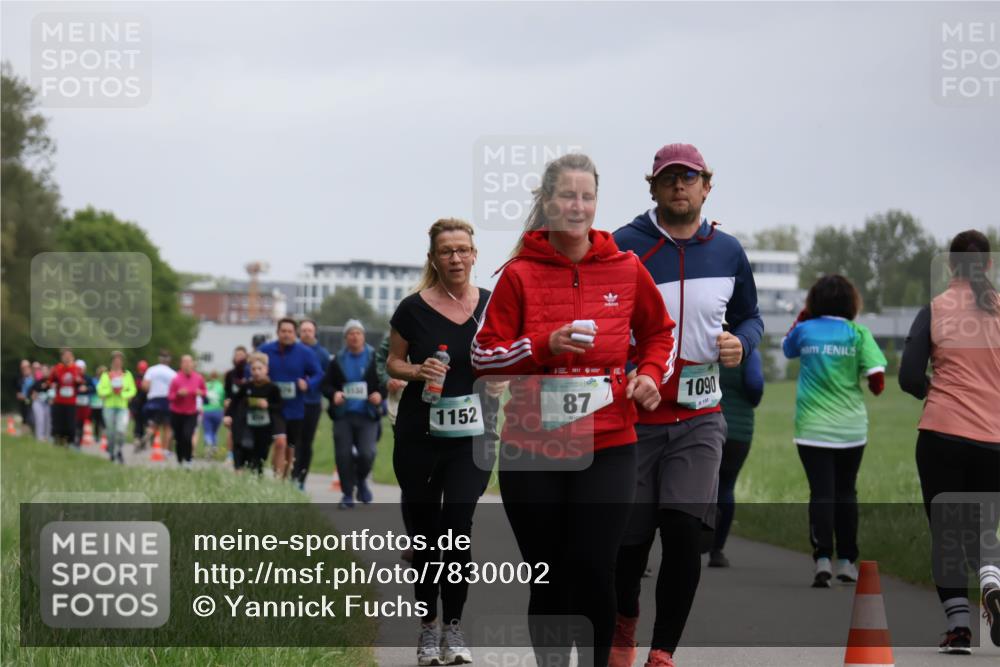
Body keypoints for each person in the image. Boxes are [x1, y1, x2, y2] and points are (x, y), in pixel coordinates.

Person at [473, 155, 676, 667]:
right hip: (531, 448)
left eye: (587, 197)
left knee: (593, 569)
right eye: (568, 196)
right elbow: (483, 356)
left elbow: (660, 333)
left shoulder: (626, 267)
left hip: (608, 443)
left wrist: (651, 375)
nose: (578, 206)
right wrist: (543, 344)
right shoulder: (518, 274)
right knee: (549, 576)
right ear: (546, 202)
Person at [610, 143, 763, 667]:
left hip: (701, 418)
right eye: (669, 177)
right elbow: (605, 324)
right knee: (628, 545)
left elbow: (751, 317)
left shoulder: (728, 252)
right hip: (635, 420)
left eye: (689, 177)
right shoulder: (622, 247)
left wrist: (742, 342)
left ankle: (663, 652)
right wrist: (630, 372)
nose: (680, 185)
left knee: (683, 534)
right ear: (652, 187)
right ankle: (624, 626)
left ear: (706, 186)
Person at [388, 218, 504, 666]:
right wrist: (418, 372)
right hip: (420, 435)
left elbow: (509, 357)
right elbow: (394, 363)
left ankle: (454, 628)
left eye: (462, 250)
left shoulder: (492, 307)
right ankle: (427, 627)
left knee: (456, 530)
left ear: (475, 255)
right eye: (446, 251)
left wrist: (500, 380)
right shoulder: (411, 309)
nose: (455, 258)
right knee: (424, 537)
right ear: (433, 258)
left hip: (473, 437)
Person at [899, 230, 1000, 654]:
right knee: (985, 528)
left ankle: (959, 629)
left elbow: (907, 376)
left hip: (942, 434)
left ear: (952, 266)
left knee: (948, 532)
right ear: (989, 266)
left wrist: (934, 391)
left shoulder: (936, 309)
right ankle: (993, 582)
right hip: (994, 439)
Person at [782, 275, 886, 587]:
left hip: (812, 429)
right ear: (851, 303)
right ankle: (846, 561)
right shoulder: (858, 333)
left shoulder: (804, 330)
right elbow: (877, 379)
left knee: (821, 493)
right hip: (851, 429)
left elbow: (787, 349)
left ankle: (822, 558)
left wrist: (802, 318)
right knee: (846, 492)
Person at [710, 342, 764, 568]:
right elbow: (754, 386)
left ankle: (691, 542)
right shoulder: (747, 349)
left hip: (706, 424)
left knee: (696, 486)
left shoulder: (704, 343)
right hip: (738, 431)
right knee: (726, 487)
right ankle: (717, 550)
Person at [324, 320, 383, 508]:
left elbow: (386, 380)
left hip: (367, 414)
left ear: (363, 336)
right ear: (345, 338)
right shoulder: (338, 360)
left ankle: (361, 480)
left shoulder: (375, 358)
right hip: (344, 415)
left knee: (367, 453)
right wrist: (334, 394)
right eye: (350, 333)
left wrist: (380, 395)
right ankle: (347, 494)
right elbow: (325, 384)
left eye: (358, 333)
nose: (354, 336)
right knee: (343, 455)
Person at [258, 318, 323, 481]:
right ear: (277, 332)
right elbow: (249, 368)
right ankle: (276, 477)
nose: (286, 335)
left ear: (295, 334)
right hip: (272, 407)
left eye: (290, 332)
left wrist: (307, 383)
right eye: (283, 331)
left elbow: (319, 374)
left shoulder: (305, 352)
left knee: (290, 446)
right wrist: (260, 380)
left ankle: (284, 479)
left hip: (295, 407)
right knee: (279, 442)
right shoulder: (265, 350)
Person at [225, 352, 284, 476]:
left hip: (265, 427)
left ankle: (257, 476)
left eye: (259, 369)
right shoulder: (246, 386)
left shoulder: (272, 388)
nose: (256, 372)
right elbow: (234, 402)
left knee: (260, 455)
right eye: (253, 369)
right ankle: (240, 471)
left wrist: (268, 405)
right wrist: (228, 416)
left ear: (266, 370)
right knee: (243, 447)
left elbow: (279, 406)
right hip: (247, 425)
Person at [297, 318, 332, 486]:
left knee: (306, 442)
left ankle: (301, 477)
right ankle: (290, 474)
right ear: (299, 333)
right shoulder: (293, 350)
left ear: (314, 333)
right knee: (292, 440)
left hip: (312, 402)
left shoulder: (322, 354)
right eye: (303, 330)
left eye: (309, 330)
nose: (306, 333)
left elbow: (327, 377)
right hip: (293, 403)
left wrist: (310, 384)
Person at [97, 351, 137, 464]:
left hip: (122, 406)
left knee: (120, 430)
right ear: (112, 361)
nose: (117, 362)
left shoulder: (127, 374)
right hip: (109, 406)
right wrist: (110, 390)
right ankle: (111, 451)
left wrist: (123, 394)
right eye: (115, 360)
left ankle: (119, 450)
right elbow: (100, 389)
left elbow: (133, 390)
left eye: (119, 360)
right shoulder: (106, 375)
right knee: (110, 431)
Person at [167, 354, 207, 468]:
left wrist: (201, 393)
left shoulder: (198, 378)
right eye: (185, 362)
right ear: (181, 364)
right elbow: (170, 397)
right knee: (179, 438)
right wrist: (178, 394)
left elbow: (204, 392)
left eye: (190, 362)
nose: (188, 364)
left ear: (193, 364)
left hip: (191, 413)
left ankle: (188, 459)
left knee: (188, 435)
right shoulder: (176, 378)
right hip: (177, 412)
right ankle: (180, 460)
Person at [142, 351, 177, 455]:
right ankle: (165, 450)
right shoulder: (172, 373)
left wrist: (152, 390)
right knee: (167, 426)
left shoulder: (151, 370)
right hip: (167, 401)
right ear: (169, 360)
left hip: (153, 400)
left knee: (153, 424)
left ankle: (148, 434)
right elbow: (175, 389)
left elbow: (145, 386)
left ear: (159, 359)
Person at [224, 346, 250, 468]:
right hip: (234, 406)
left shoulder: (249, 372)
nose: (239, 357)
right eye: (237, 355)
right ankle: (230, 454)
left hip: (247, 407)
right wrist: (227, 403)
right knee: (232, 431)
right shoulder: (230, 374)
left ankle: (246, 456)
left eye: (241, 355)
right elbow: (227, 392)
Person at [202, 371, 225, 454]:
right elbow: (223, 399)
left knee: (208, 430)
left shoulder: (206, 385)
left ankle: (208, 443)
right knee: (215, 431)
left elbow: (203, 398)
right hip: (218, 410)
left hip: (206, 410)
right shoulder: (220, 386)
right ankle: (214, 445)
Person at [72, 359, 93, 449]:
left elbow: (94, 388)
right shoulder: (73, 378)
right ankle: (72, 440)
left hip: (84, 404)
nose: (80, 370)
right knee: (74, 422)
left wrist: (87, 388)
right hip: (74, 403)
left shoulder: (88, 378)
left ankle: (78, 442)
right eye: (79, 369)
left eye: (82, 368)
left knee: (81, 423)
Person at [29, 363, 52, 443]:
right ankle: (39, 438)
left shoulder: (52, 381)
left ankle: (48, 437)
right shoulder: (37, 381)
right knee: (40, 419)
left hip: (48, 403)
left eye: (46, 370)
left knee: (48, 420)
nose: (44, 372)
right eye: (42, 370)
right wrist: (32, 394)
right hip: (38, 402)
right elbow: (31, 390)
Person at [130, 360, 149, 447]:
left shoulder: (138, 377)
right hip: (141, 403)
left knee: (140, 422)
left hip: (140, 403)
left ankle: (139, 438)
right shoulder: (145, 378)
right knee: (141, 422)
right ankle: (139, 438)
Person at [16, 359, 34, 435]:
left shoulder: (34, 378)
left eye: (26, 368)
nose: (25, 370)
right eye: (23, 368)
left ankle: (31, 432)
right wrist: (19, 394)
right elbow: (18, 389)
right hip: (23, 401)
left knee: (30, 417)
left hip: (31, 401)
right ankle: (25, 433)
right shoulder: (20, 379)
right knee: (24, 417)